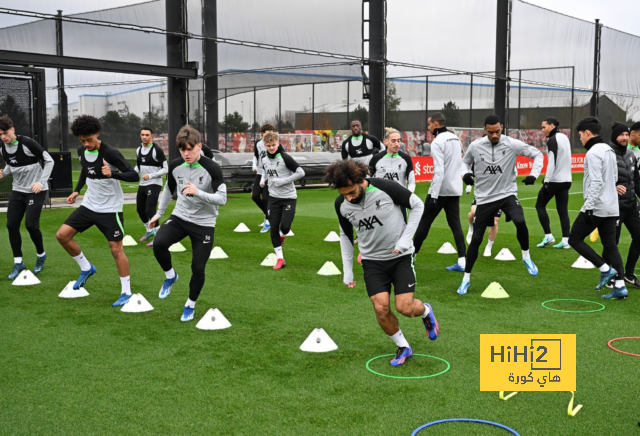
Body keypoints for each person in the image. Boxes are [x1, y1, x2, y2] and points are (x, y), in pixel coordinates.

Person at [326, 160, 438, 367]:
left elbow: (418, 205)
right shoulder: (341, 205)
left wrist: (405, 240)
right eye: (344, 194)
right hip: (372, 262)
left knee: (404, 307)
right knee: (381, 308)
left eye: (351, 192)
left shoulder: (385, 187)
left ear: (360, 180)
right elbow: (345, 235)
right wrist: (347, 270)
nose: (348, 198)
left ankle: (425, 312)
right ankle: (404, 346)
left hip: (401, 258)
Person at [55, 115, 139, 306]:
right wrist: (77, 190)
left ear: (97, 134)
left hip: (110, 209)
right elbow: (86, 170)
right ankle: (86, 268)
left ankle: (126, 292)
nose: (86, 144)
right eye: (83, 141)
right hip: (89, 205)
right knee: (62, 235)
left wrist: (114, 173)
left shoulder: (110, 153)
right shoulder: (81, 150)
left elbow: (134, 175)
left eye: (89, 140)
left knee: (116, 249)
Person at [149, 125, 227, 321]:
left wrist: (198, 192)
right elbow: (168, 189)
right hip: (180, 217)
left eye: (190, 149)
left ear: (199, 146)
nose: (186, 154)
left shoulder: (212, 168)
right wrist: (158, 214)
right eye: (182, 150)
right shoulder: (175, 166)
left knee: (198, 268)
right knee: (158, 243)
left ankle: (190, 305)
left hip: (204, 223)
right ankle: (170, 276)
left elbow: (222, 198)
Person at [458, 115, 543, 295]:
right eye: (490, 132)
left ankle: (526, 257)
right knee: (476, 239)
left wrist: (534, 174)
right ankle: (466, 279)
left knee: (520, 221)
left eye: (497, 131)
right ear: (484, 130)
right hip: (485, 198)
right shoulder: (475, 146)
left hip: (507, 194)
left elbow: (537, 154)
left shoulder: (512, 143)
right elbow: (464, 162)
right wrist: (465, 174)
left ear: (502, 128)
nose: (494, 135)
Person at [568, 117, 627, 299]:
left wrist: (589, 207)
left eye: (580, 135)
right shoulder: (609, 150)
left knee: (574, 239)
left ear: (587, 133)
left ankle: (605, 269)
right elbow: (615, 176)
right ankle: (620, 286)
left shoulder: (593, 152)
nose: (580, 139)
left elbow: (596, 181)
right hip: (612, 206)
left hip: (598, 206)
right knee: (611, 245)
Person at [0, 116, 54, 279]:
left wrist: (41, 182)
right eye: (0, 134)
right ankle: (18, 262)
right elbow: (12, 163)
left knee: (31, 225)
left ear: (13, 130)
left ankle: (41, 255)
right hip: (18, 190)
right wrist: (3, 172)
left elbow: (49, 160)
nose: (3, 137)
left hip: (36, 190)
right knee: (11, 225)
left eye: (5, 133)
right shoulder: (3, 147)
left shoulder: (27, 143)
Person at [412, 113, 467, 271]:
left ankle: (412, 257)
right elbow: (459, 164)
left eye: (429, 124)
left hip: (440, 190)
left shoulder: (437, 142)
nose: (428, 127)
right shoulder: (456, 138)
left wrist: (433, 196)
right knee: (455, 225)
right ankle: (462, 261)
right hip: (454, 189)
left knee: (425, 222)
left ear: (436, 124)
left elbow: (439, 171)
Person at [259, 131, 305, 270]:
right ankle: (280, 258)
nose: (271, 148)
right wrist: (263, 181)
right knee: (273, 227)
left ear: (278, 144)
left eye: (273, 145)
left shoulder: (285, 157)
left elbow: (301, 172)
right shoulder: (264, 158)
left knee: (285, 227)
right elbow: (265, 171)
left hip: (289, 198)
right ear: (265, 145)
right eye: (268, 145)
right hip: (273, 198)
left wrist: (282, 181)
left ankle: (282, 235)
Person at [602, 122, 640, 288]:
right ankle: (607, 274)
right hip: (614, 207)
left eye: (626, 134)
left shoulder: (632, 155)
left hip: (632, 206)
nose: (624, 137)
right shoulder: (606, 155)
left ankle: (629, 274)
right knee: (612, 242)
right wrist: (612, 186)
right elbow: (597, 181)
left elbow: (636, 182)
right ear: (614, 136)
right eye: (621, 135)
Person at [535, 117, 573, 249]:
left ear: (552, 126)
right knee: (563, 210)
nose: (542, 130)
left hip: (555, 180)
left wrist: (546, 180)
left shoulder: (552, 140)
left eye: (544, 127)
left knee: (539, 205)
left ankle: (548, 236)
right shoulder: (564, 137)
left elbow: (552, 162)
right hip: (567, 180)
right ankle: (566, 240)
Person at [135, 126, 167, 245]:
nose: (144, 137)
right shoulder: (138, 149)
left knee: (150, 209)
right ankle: (149, 231)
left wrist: (151, 176)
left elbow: (166, 169)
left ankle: (158, 235)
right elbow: (138, 167)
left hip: (154, 183)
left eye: (147, 135)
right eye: (142, 134)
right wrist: (132, 173)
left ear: (151, 136)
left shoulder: (157, 150)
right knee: (139, 209)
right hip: (143, 184)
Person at [251, 123, 280, 234]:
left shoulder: (276, 144)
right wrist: (254, 165)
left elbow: (280, 156)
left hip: (271, 173)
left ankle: (269, 219)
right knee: (255, 196)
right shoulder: (258, 144)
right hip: (260, 172)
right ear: (262, 134)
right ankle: (268, 215)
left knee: (267, 198)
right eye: (265, 133)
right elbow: (256, 156)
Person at [368, 127, 415, 193]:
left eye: (398, 141)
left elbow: (412, 182)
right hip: (381, 200)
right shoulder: (376, 158)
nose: (396, 144)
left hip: (399, 200)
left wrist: (407, 196)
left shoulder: (406, 158)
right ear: (386, 142)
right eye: (393, 141)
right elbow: (366, 179)